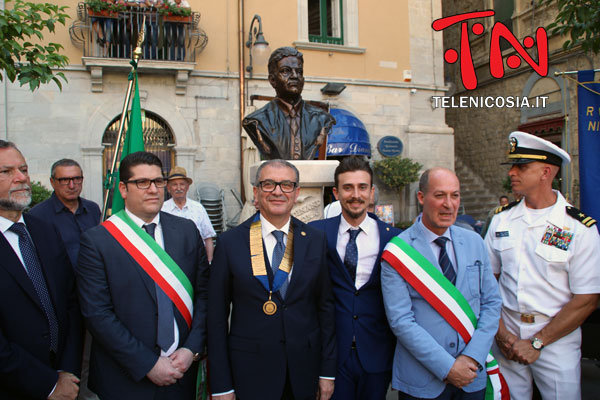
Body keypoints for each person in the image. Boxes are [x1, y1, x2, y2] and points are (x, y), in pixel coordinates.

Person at [76, 151, 209, 399]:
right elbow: (97, 313)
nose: (153, 189)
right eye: (142, 182)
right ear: (123, 189)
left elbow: (205, 295)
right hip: (125, 378)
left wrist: (191, 349)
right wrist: (147, 363)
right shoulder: (97, 240)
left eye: (159, 181)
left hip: (182, 372)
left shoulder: (187, 230)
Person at [208, 159, 336, 400]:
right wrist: (222, 385)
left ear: (296, 193)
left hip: (304, 371)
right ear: (256, 192)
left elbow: (325, 309)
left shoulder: (315, 240)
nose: (278, 191)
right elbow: (216, 318)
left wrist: (327, 373)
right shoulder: (230, 243)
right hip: (249, 371)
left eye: (286, 184)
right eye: (269, 184)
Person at [485, 131, 600, 400]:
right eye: (513, 166)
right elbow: (487, 281)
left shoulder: (578, 228)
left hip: (556, 341)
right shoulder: (502, 221)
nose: (512, 172)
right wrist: (502, 335)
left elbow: (587, 299)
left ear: (546, 172)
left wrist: (537, 342)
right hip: (507, 336)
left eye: (522, 166)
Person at [381, 167, 502, 400]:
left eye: (454, 195)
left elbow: (491, 303)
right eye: (439, 195)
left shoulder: (474, 241)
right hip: (422, 379)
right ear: (421, 197)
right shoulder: (399, 252)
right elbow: (401, 321)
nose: (449, 204)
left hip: (471, 375)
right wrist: (447, 367)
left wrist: (472, 357)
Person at [309, 156, 400, 400]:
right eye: (348, 188)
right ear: (336, 193)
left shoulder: (394, 239)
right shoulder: (316, 233)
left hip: (377, 354)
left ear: (371, 192)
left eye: (362, 187)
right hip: (331, 357)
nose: (355, 195)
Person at [0, 141, 83, 399]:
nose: (22, 178)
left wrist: (66, 370)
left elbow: (71, 302)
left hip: (65, 379)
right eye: (7, 171)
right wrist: (47, 384)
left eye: (23, 169)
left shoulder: (44, 229)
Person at [242, 47, 336, 160]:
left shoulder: (322, 118)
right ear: (272, 80)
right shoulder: (257, 121)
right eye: (286, 71)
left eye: (299, 72)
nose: (295, 76)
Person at [29, 159, 101, 267]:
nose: (72, 185)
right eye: (64, 180)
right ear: (52, 182)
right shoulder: (37, 215)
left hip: (94, 280)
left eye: (77, 179)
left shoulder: (93, 209)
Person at [162, 166, 216, 262]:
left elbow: (208, 238)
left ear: (187, 187)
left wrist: (209, 262)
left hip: (197, 259)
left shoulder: (198, 208)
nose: (178, 188)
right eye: (174, 184)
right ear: (169, 188)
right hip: (171, 261)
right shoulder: (162, 209)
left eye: (182, 184)